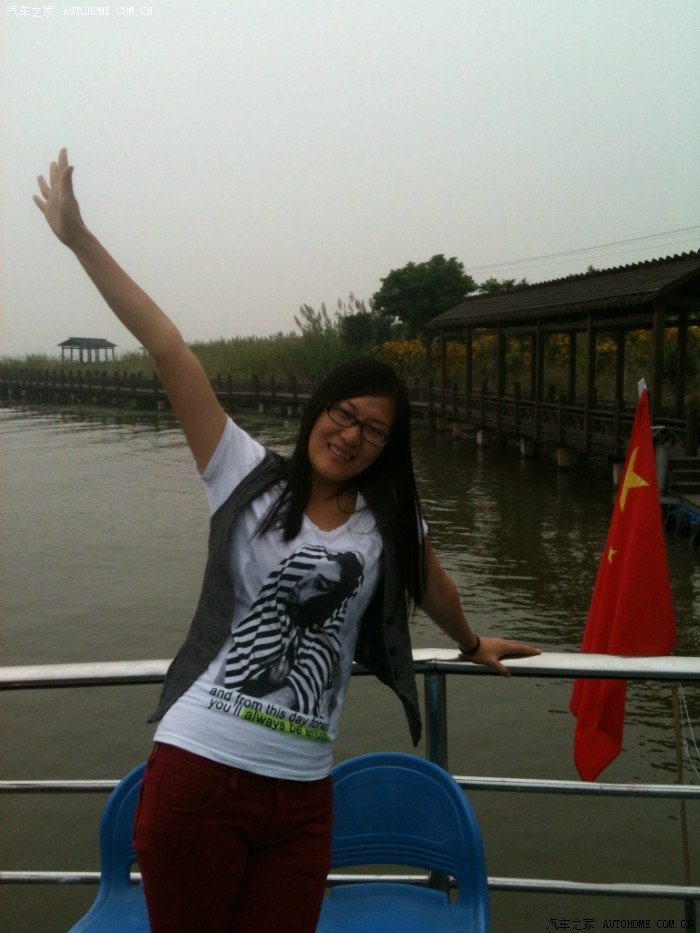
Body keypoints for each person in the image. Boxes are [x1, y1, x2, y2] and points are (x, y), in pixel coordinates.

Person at [34, 149, 540, 933]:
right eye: (344, 413)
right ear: (319, 409)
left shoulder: (388, 518)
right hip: (200, 775)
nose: (352, 434)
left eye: (374, 430)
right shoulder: (245, 474)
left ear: (388, 447)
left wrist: (472, 642)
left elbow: (433, 586)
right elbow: (169, 347)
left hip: (304, 796)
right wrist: (78, 238)